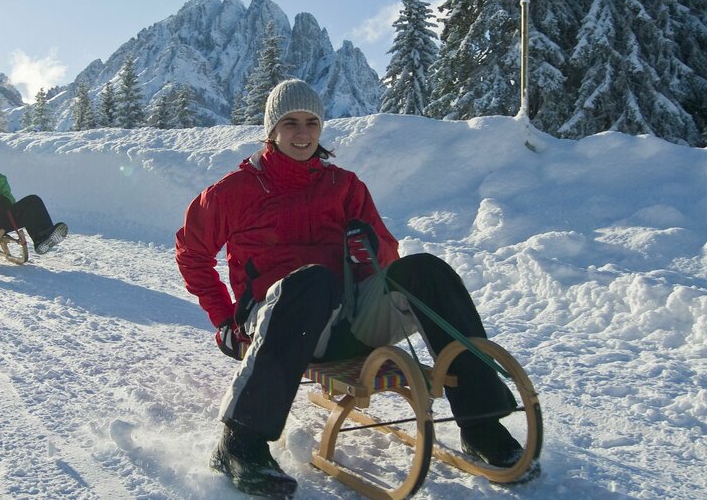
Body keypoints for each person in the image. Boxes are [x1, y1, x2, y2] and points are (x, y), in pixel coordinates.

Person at [175, 79, 537, 498]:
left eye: (311, 122)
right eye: (290, 123)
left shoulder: (343, 185)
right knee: (312, 280)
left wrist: (368, 248)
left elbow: (387, 259)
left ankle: (482, 424)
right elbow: (192, 254)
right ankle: (239, 444)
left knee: (426, 271)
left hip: (349, 320)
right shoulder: (234, 191)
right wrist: (224, 320)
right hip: (279, 319)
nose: (303, 133)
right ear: (271, 129)